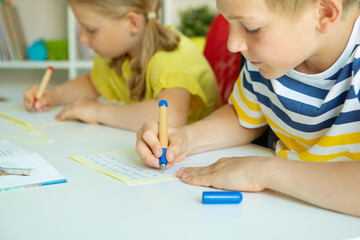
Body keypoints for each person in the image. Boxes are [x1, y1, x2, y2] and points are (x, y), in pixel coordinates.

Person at [136, 0, 360, 217]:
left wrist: (263, 172)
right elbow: (243, 117)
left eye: (251, 28)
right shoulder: (268, 59)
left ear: (324, 14)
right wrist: (185, 138)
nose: (232, 45)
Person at [23, 0, 221, 131]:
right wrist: (51, 95)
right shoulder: (117, 54)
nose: (82, 37)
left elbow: (171, 116)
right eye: (81, 27)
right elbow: (92, 84)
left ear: (132, 23)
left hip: (203, 156)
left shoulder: (172, 55)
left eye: (91, 30)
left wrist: (98, 111)